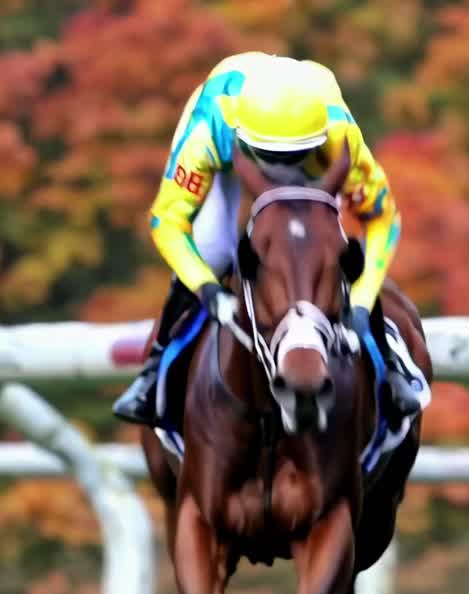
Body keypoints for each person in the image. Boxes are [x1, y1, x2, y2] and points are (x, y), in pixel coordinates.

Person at [112, 52, 420, 426]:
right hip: (234, 146)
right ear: (244, 141)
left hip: (312, 162)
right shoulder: (209, 132)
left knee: (328, 250)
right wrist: (209, 290)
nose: (279, 173)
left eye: (293, 159)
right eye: (268, 158)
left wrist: (360, 301)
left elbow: (383, 220)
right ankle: (155, 367)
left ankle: (386, 361)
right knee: (212, 250)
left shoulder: (340, 138)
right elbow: (167, 221)